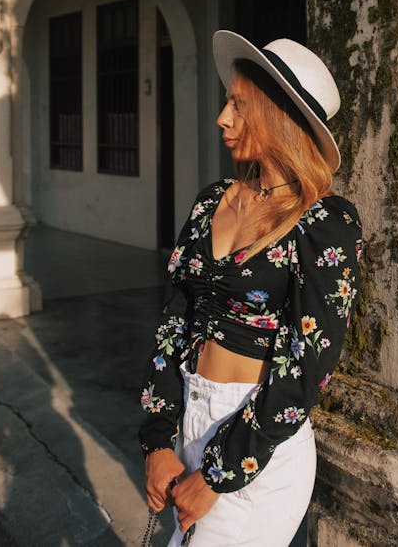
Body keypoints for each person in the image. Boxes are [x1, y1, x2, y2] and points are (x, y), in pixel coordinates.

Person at [139, 30, 362, 546]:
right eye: (227, 102)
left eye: (239, 104)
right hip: (191, 423)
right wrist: (156, 439)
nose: (223, 117)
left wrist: (220, 473)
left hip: (258, 444)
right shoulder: (210, 201)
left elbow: (307, 368)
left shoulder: (323, 222)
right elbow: (175, 320)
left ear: (279, 115)